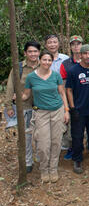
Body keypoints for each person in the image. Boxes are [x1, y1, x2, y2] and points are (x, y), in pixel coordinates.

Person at [22, 51, 70, 183]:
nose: (47, 63)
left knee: (56, 142)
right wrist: (17, 98)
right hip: (41, 112)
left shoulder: (56, 75)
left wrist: (66, 110)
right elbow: (26, 95)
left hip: (57, 111)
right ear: (39, 60)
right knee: (43, 144)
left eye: (49, 60)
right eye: (44, 60)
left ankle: (53, 168)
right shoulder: (31, 77)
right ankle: (44, 168)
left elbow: (62, 93)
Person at [5, 41, 41, 173]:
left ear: (39, 53)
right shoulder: (18, 68)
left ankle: (40, 158)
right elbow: (10, 88)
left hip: (40, 107)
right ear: (25, 53)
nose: (33, 54)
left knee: (39, 135)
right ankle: (28, 161)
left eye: (35, 51)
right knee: (25, 137)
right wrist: (8, 106)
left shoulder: (43, 66)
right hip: (23, 108)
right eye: (30, 51)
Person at [66, 44, 89, 174]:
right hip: (79, 110)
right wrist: (72, 108)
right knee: (77, 136)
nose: (87, 56)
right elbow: (68, 90)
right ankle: (77, 159)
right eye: (85, 54)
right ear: (80, 55)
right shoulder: (73, 71)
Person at [60, 35, 84, 160]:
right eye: (73, 44)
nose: (76, 46)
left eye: (78, 44)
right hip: (72, 100)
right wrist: (67, 105)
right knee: (72, 129)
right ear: (70, 46)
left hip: (86, 99)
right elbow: (63, 86)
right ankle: (72, 148)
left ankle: (87, 148)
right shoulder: (66, 64)